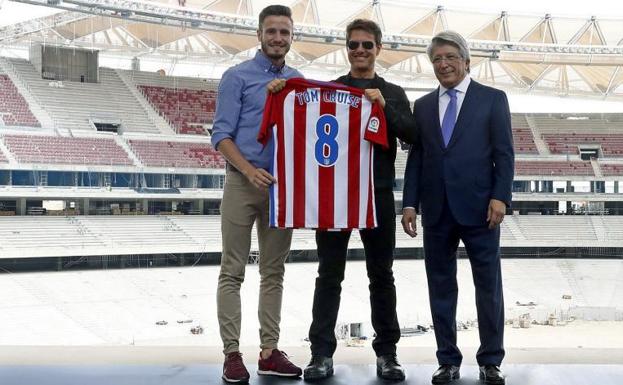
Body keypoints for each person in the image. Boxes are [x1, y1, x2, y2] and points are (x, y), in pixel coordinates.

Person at [301, 18, 418, 382]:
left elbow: (412, 135)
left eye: (367, 45)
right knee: (328, 275)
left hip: (378, 193)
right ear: (346, 49)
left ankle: (388, 354)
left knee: (381, 275)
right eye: (354, 45)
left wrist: (384, 106)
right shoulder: (329, 89)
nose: (361, 51)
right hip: (335, 193)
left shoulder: (393, 91)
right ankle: (320, 354)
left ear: (379, 49)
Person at [401, 31, 514, 385]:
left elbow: (504, 153)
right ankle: (447, 360)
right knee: (440, 287)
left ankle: (490, 360)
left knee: (488, 288)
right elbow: (417, 158)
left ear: (466, 61)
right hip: (436, 210)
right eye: (436, 59)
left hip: (482, 208)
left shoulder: (493, 99)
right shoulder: (421, 106)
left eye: (450, 57)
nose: (443, 64)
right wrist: (409, 203)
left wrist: (501, 196)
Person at [211, 4, 303, 383]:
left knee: (274, 272)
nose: (278, 38)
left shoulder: (299, 79)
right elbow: (221, 136)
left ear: (291, 36)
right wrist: (249, 172)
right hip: (241, 183)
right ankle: (232, 354)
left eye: (284, 32)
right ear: (260, 34)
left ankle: (269, 351)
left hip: (282, 189)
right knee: (232, 271)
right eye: (272, 31)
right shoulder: (236, 77)